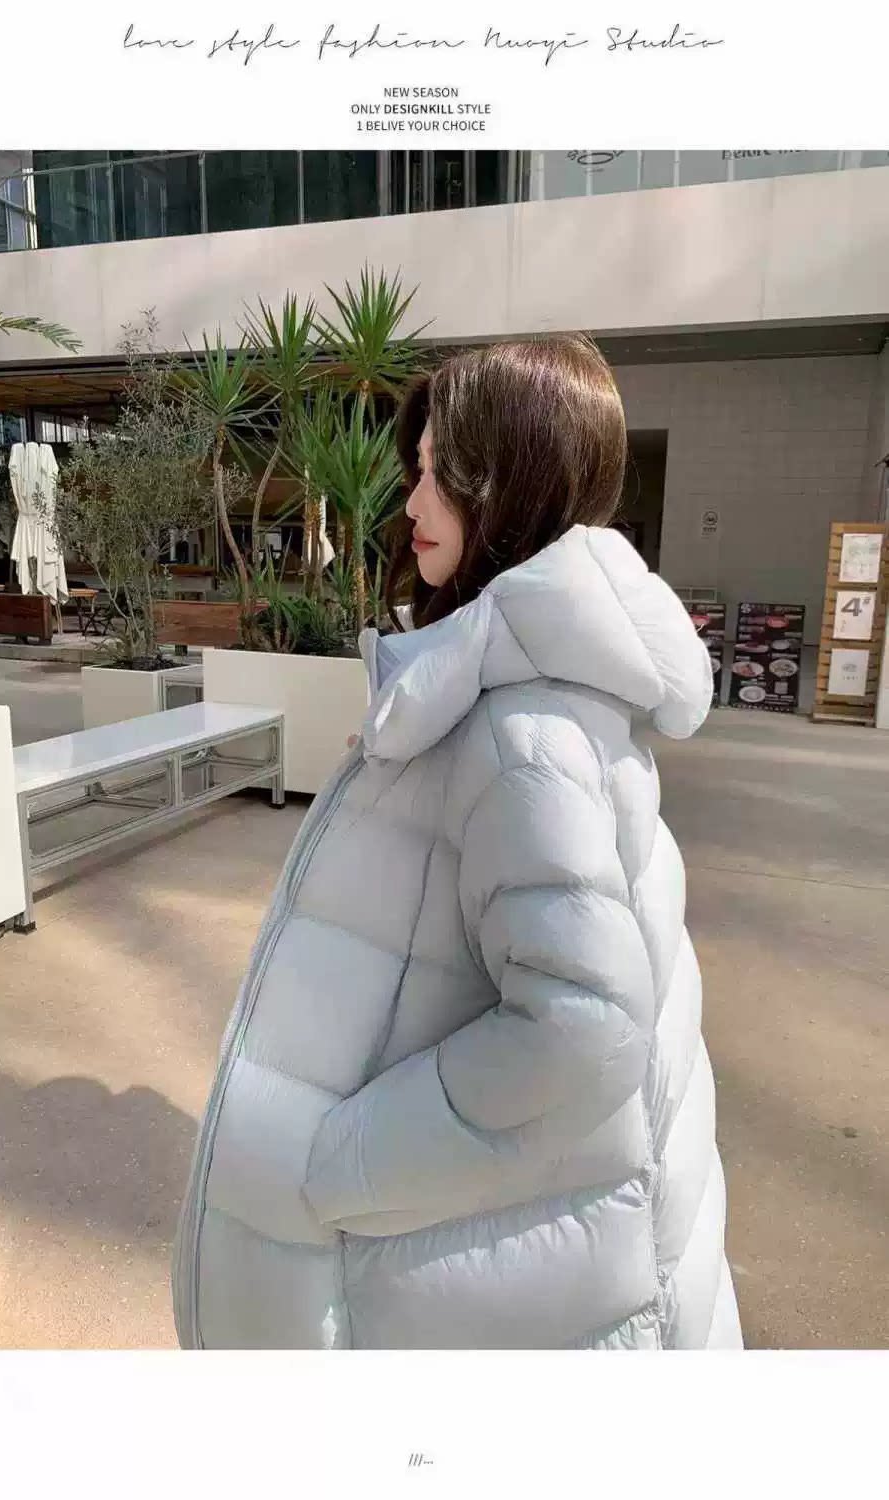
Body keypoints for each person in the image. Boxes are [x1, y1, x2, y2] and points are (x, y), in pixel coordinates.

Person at [173, 336, 742, 1351]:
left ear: (511, 485)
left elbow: (583, 1028)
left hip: (500, 1288)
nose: (411, 502)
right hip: (566, 1259)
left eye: (440, 474)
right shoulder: (543, 690)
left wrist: (339, 1161)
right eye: (417, 470)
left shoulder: (524, 732)